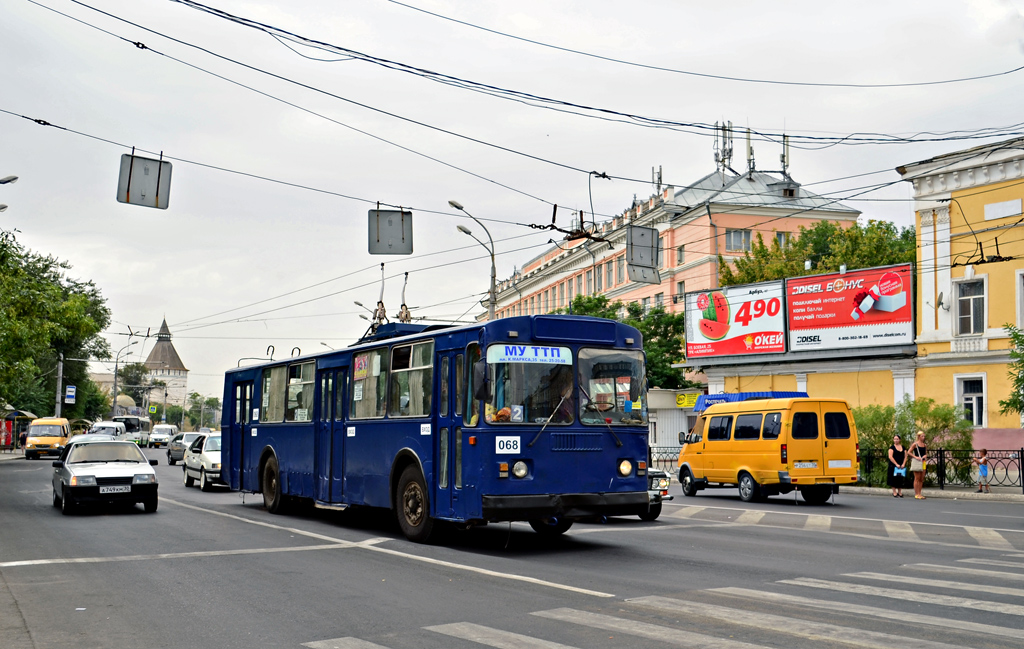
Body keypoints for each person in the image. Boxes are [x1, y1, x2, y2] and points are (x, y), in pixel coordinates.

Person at [908, 430, 928, 499]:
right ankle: (916, 494)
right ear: (919, 437)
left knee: (921, 478)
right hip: (917, 461)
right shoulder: (915, 444)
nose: (923, 437)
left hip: (923, 462)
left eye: (924, 436)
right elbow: (909, 452)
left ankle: (920, 493)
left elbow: (925, 453)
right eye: (922, 436)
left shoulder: (924, 445)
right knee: (917, 478)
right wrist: (915, 457)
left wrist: (925, 456)